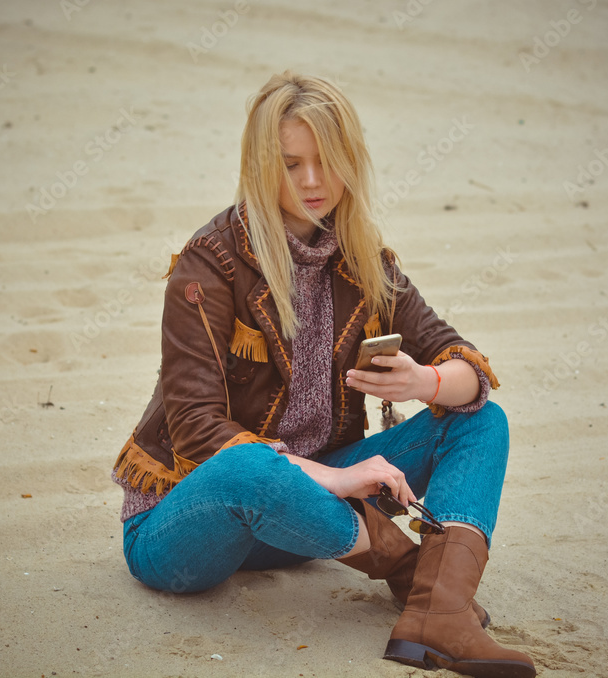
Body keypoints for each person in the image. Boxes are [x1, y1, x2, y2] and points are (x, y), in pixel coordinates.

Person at [111, 71, 535, 678]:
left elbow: (464, 362)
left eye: (327, 161)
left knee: (481, 420)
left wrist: (425, 384)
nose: (312, 181)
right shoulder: (210, 265)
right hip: (185, 525)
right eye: (291, 165)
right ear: (261, 166)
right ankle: (415, 572)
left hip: (299, 517)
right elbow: (197, 433)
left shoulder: (361, 258)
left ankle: (437, 616)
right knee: (249, 465)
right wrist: (338, 480)